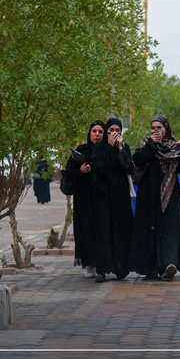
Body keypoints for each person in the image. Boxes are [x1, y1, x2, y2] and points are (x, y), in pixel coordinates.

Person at [128, 115, 180, 280]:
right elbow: (138, 160)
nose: (155, 131)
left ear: (166, 128)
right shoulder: (146, 144)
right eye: (153, 128)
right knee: (150, 230)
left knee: (170, 229)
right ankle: (151, 267)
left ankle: (168, 263)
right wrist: (152, 144)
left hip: (170, 196)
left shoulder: (175, 147)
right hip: (149, 197)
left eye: (159, 127)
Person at [87, 117, 135, 282]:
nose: (114, 134)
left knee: (121, 230)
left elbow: (129, 167)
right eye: (111, 131)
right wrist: (109, 146)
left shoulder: (124, 148)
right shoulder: (99, 148)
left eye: (117, 131)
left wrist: (120, 149)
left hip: (120, 195)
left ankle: (120, 267)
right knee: (104, 231)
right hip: (103, 195)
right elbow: (100, 165)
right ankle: (102, 269)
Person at [64, 120, 106, 278]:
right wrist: (81, 171)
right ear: (89, 133)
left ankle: (102, 264)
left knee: (101, 231)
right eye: (94, 131)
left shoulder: (106, 151)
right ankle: (88, 263)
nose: (97, 134)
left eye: (100, 132)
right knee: (86, 231)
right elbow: (69, 175)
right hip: (84, 199)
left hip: (102, 199)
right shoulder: (81, 151)